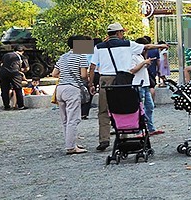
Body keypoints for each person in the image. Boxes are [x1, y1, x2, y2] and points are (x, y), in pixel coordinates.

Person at [88, 22, 166, 151]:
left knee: (103, 111)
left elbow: (92, 66)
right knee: (123, 107)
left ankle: (104, 139)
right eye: (122, 32)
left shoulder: (99, 47)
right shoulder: (128, 44)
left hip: (105, 79)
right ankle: (123, 136)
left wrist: (91, 83)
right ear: (119, 33)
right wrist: (160, 45)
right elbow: (146, 46)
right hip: (124, 79)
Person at [51, 35, 91, 154]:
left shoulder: (63, 57)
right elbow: (83, 75)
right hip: (72, 89)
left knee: (65, 120)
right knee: (73, 119)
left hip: (60, 89)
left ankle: (70, 143)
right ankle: (71, 147)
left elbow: (54, 73)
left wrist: (65, 77)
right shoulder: (81, 57)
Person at [130, 48, 162, 135]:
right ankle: (139, 130)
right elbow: (132, 70)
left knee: (150, 106)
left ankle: (150, 128)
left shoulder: (140, 56)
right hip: (138, 84)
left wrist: (146, 64)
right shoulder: (132, 57)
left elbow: (141, 68)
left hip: (145, 84)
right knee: (141, 108)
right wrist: (144, 62)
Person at [0, 44, 28, 111]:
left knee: (4, 90)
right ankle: (20, 105)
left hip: (3, 73)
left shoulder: (6, 55)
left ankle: (6, 106)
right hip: (14, 73)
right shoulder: (22, 56)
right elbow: (27, 68)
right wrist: (22, 71)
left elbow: (2, 64)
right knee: (18, 88)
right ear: (22, 51)